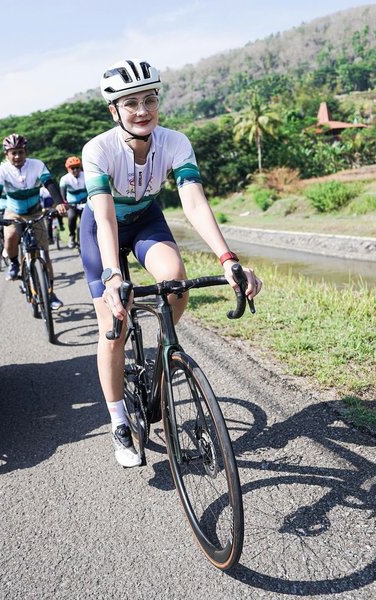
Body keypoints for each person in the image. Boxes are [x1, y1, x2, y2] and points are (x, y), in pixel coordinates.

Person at [80, 59, 262, 467]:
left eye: (149, 100)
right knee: (114, 326)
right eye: (130, 104)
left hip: (146, 218)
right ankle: (118, 421)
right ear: (114, 111)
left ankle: (162, 360)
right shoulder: (98, 149)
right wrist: (112, 275)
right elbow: (105, 217)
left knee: (176, 283)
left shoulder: (175, 142)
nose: (142, 110)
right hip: (101, 228)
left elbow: (194, 202)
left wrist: (228, 258)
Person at [0, 134, 66, 310]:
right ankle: (14, 262)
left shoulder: (37, 165)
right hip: (14, 212)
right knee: (11, 236)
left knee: (44, 254)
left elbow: (50, 183)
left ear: (26, 152)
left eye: (20, 152)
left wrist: (59, 203)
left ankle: (50, 293)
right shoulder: (2, 171)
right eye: (13, 153)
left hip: (35, 211)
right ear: (6, 154)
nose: (17, 156)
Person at [59, 156, 87, 248]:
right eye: (72, 168)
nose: (75, 170)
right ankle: (72, 235)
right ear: (68, 169)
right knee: (71, 217)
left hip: (85, 203)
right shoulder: (65, 179)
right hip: (72, 204)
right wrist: (64, 202)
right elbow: (62, 193)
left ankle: (85, 239)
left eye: (77, 167)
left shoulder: (86, 175)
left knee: (84, 222)